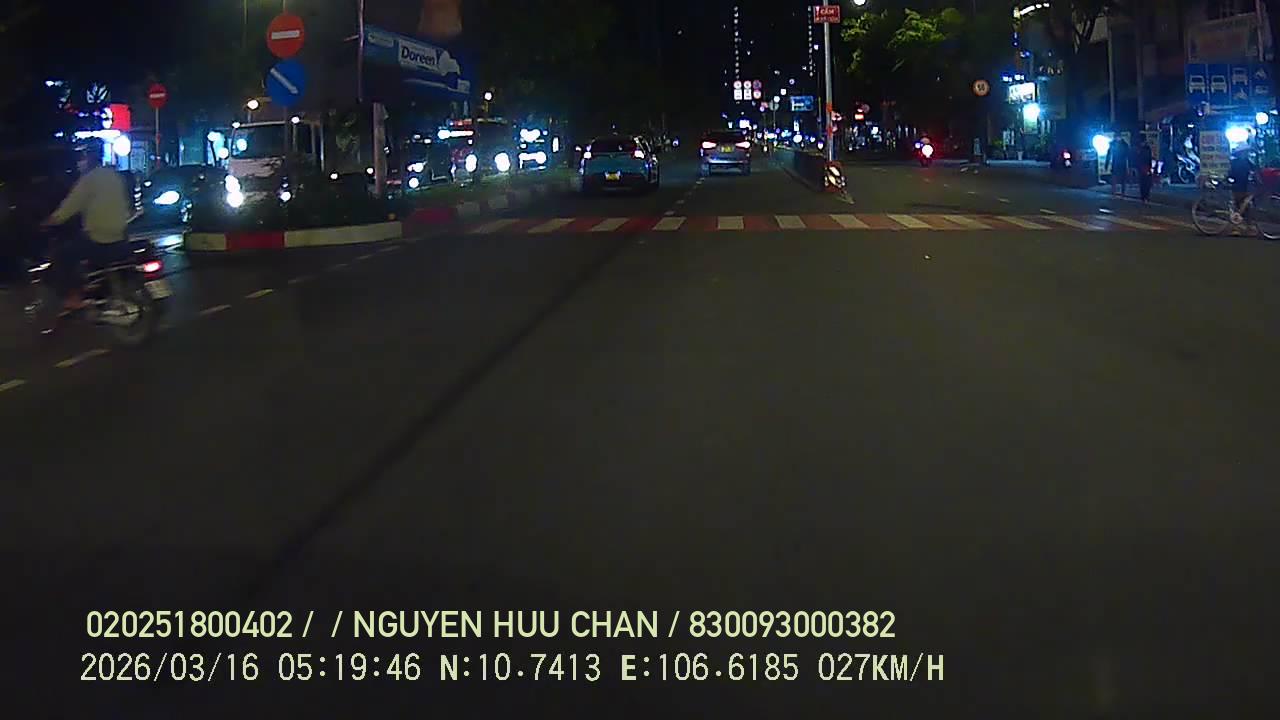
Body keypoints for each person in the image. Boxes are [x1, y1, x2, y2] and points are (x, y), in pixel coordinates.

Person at [40, 143, 133, 310]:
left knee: (63, 255)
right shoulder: (115, 175)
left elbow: (69, 207)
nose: (80, 162)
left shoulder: (89, 180)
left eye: (82, 158)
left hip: (98, 238)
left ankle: (73, 297)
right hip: (121, 235)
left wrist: (49, 221)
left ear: (88, 158)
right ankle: (97, 290)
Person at [1136, 138, 1155, 203]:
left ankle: (1145, 196)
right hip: (1144, 168)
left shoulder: (1143, 149)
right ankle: (1145, 197)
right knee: (1144, 183)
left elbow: (1148, 159)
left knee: (1145, 183)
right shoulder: (1146, 149)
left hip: (1144, 168)